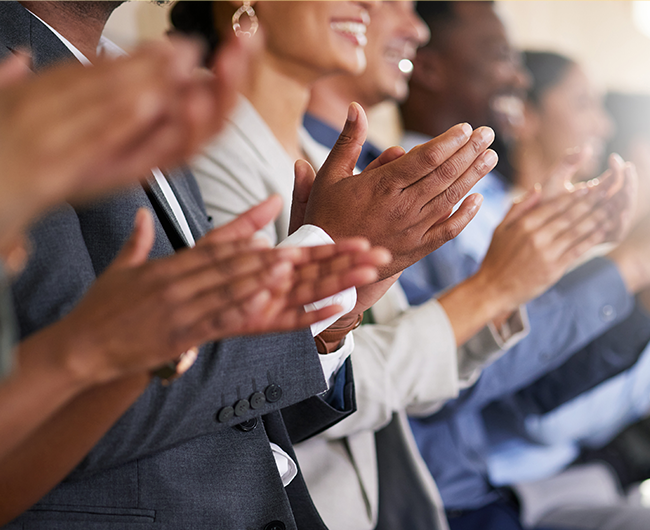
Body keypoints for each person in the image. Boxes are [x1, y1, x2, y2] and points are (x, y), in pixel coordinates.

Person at [177, 2, 633, 529]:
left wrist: (530, 267)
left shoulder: (316, 152)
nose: (402, 22)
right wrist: (492, 289)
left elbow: (388, 359)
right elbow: (257, 384)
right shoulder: (201, 148)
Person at [0, 2, 388, 529]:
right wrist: (305, 290)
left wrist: (322, 328)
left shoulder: (137, 83)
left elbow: (225, 419)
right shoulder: (16, 81)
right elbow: (55, 412)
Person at [399, 3, 650, 529]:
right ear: (528, 116)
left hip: (536, 474)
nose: (601, 123)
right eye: (584, 103)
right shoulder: (466, 209)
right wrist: (629, 276)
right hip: (502, 481)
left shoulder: (531, 213)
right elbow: (536, 407)